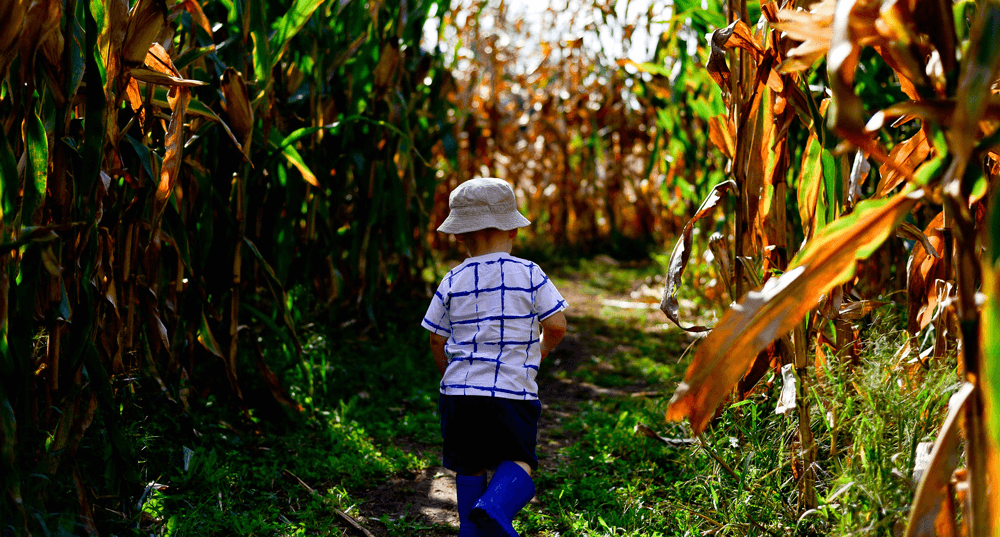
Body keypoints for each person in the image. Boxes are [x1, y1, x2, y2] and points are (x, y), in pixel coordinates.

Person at [421, 177, 568, 537]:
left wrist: (448, 373)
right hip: (511, 393)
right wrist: (542, 349)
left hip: (459, 396)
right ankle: (496, 506)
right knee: (519, 458)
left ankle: (470, 529)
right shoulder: (530, 272)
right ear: (513, 230)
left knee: (468, 465)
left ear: (459, 236)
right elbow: (558, 325)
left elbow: (435, 339)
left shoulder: (452, 279)